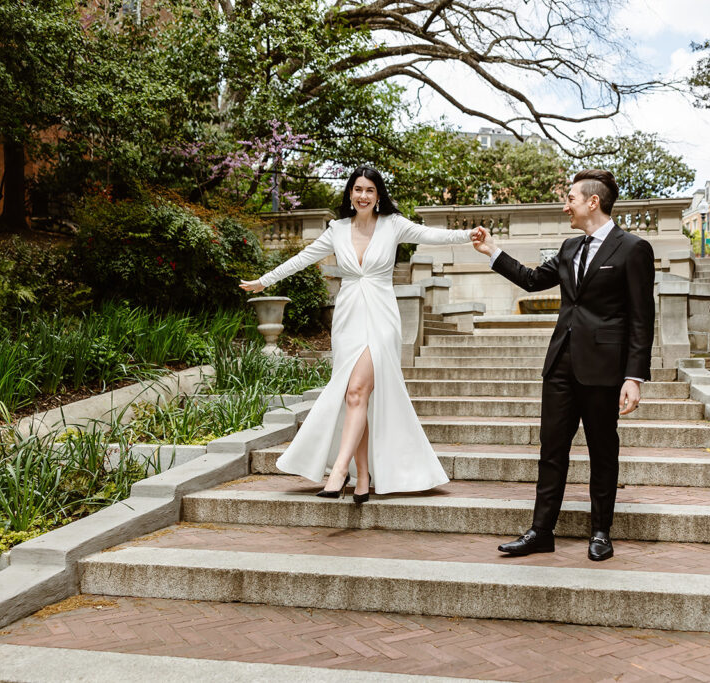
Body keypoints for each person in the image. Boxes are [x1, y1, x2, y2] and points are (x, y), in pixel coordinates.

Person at [240, 166, 482, 502]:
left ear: (378, 194)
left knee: (356, 390)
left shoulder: (393, 225)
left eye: (369, 190)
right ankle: (363, 476)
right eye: (357, 189)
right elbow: (301, 258)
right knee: (357, 397)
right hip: (348, 316)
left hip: (382, 315)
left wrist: (467, 235)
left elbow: (431, 235)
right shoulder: (336, 229)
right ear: (350, 194)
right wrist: (265, 280)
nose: (363, 196)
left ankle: (339, 471)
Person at [471, 169, 655, 560]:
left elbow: (642, 317)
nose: (565, 204)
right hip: (560, 366)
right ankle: (541, 531)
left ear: (593, 201)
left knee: (603, 451)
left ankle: (601, 531)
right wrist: (493, 252)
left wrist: (634, 376)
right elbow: (534, 279)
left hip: (604, 369)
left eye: (570, 197)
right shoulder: (570, 247)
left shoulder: (633, 248)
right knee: (551, 449)